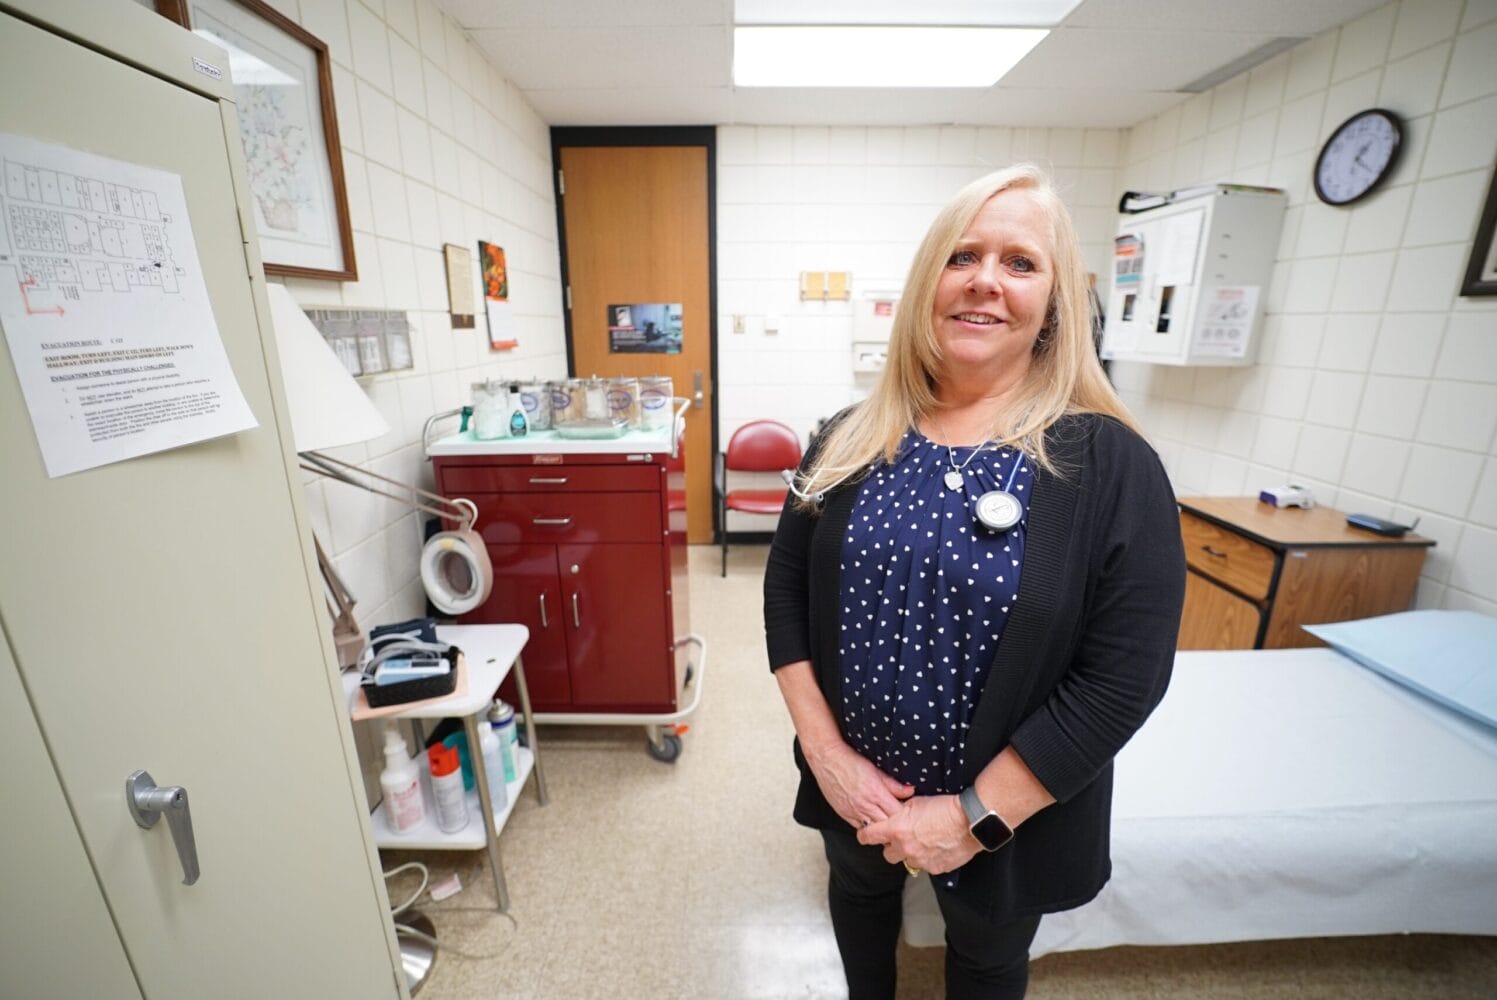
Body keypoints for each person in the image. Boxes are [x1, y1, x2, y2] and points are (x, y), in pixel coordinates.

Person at [763, 164, 1185, 1000]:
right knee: (857, 897)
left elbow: (1121, 678)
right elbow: (786, 595)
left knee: (987, 957)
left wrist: (971, 817)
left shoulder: (1107, 464)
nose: (985, 280)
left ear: (1054, 300)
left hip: (1006, 816)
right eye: (961, 256)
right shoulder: (849, 438)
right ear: (928, 283)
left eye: (1020, 263)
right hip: (855, 783)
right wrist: (827, 756)